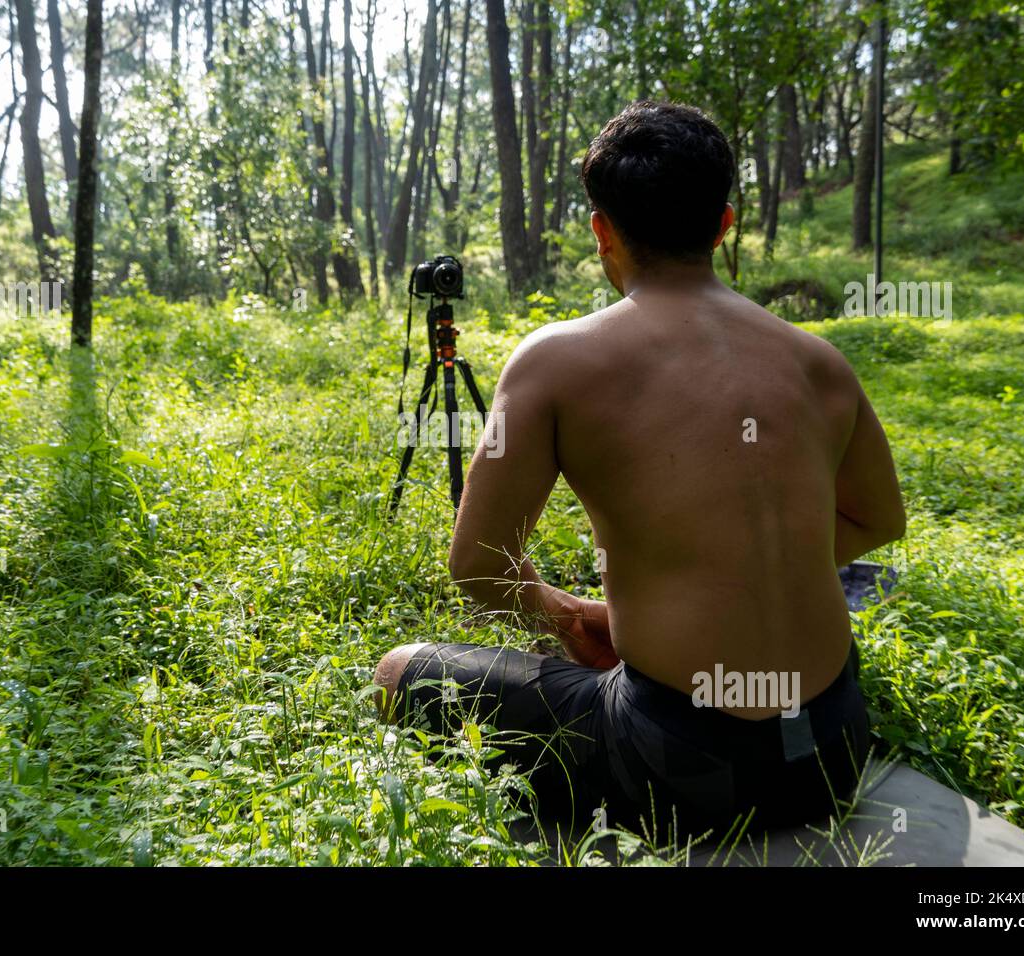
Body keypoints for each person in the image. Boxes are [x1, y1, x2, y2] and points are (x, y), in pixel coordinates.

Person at [373, 101, 906, 840]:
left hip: (681, 767)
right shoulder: (819, 361)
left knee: (399, 670)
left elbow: (478, 568)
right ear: (724, 225)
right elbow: (880, 522)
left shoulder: (556, 360)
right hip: (833, 749)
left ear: (602, 230)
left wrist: (572, 617)